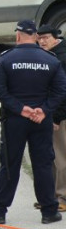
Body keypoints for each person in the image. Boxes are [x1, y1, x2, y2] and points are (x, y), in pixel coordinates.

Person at [0, 19, 66, 225]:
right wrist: (44, 110)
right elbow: (61, 90)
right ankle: (49, 211)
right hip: (41, 120)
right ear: (36, 37)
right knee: (43, 165)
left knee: (9, 164)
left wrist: (20, 108)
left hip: (14, 120)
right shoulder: (50, 60)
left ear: (18, 35)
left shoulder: (6, 59)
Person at [38, 22, 66, 208]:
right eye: (39, 38)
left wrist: (57, 116)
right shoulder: (51, 55)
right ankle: (52, 196)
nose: (42, 42)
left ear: (55, 38)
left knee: (61, 156)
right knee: (52, 156)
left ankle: (63, 197)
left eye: (46, 38)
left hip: (60, 116)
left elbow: (63, 92)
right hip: (51, 112)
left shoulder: (61, 58)